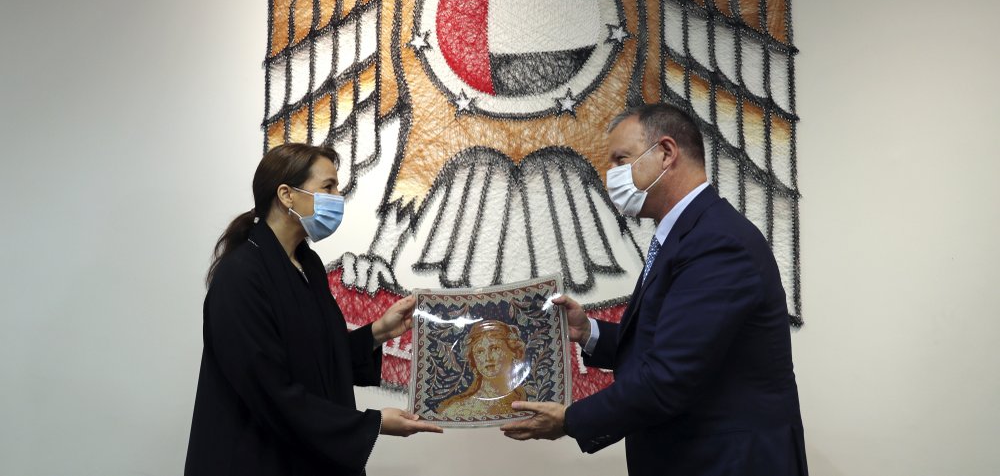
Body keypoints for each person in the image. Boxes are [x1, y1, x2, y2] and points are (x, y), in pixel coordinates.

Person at [501, 103, 808, 476]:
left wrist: (571, 420)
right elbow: (670, 342)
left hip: (727, 462)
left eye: (621, 159)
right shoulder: (689, 234)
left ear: (665, 153)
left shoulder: (717, 242)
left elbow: (669, 376)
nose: (610, 175)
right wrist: (588, 331)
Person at [185, 143, 441, 476]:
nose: (338, 197)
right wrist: (372, 423)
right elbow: (269, 389)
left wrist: (379, 332)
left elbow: (317, 359)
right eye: (328, 187)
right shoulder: (241, 276)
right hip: (257, 460)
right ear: (286, 195)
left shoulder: (307, 264)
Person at [437, 320, 527, 418]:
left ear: (514, 353)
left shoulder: (527, 401)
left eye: (495, 348)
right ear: (473, 359)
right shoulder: (456, 411)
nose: (488, 358)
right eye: (480, 351)